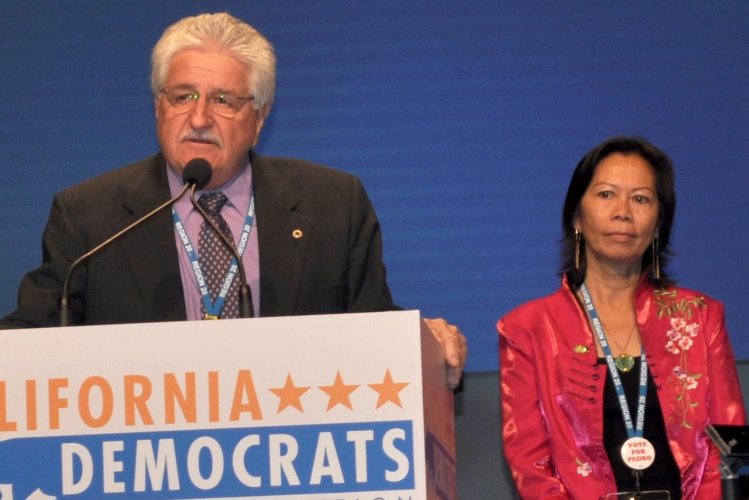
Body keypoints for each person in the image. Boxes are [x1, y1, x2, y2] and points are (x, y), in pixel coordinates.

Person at [0, 12, 465, 388]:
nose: (199, 117)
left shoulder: (334, 206)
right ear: (158, 107)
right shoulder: (89, 217)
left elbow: (373, 333)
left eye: (223, 100)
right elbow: (29, 341)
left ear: (259, 118)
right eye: (183, 96)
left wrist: (422, 345)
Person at [498, 136, 746, 499]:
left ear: (659, 224)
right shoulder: (528, 328)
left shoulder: (700, 317)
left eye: (640, 199)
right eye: (606, 194)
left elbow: (729, 450)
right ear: (577, 217)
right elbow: (532, 466)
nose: (623, 212)